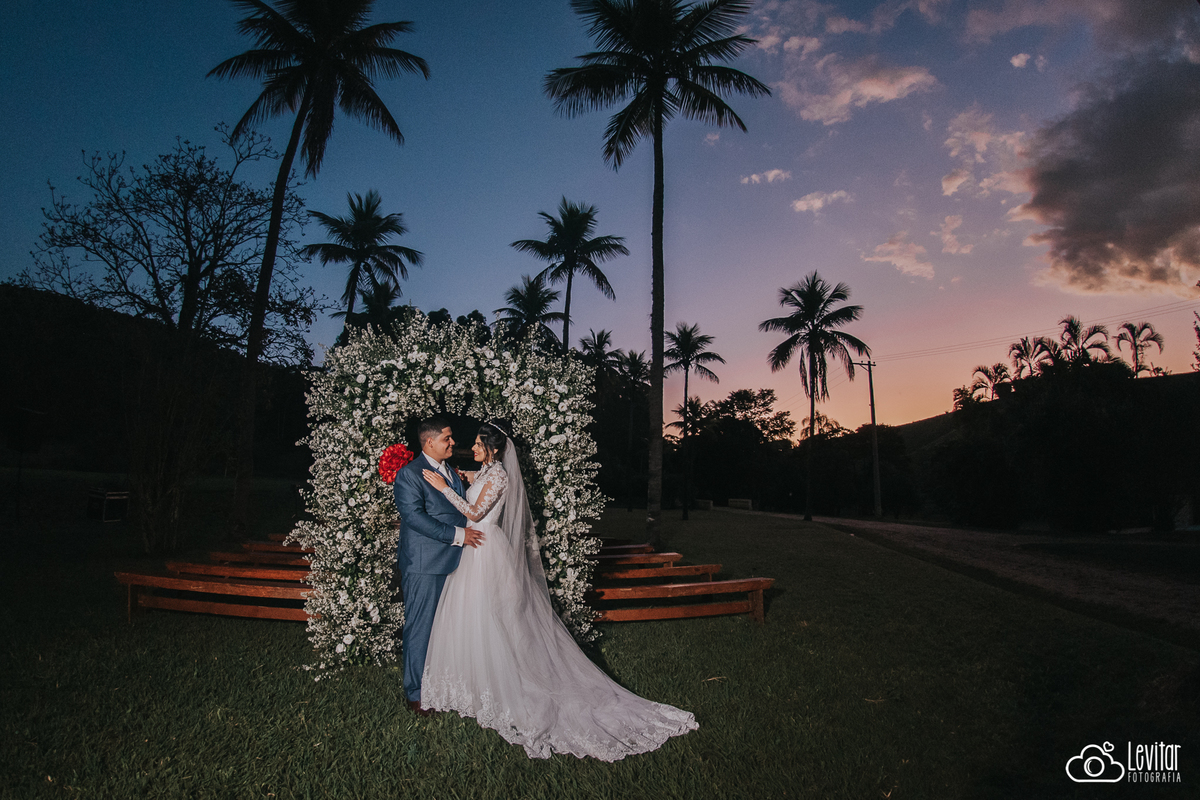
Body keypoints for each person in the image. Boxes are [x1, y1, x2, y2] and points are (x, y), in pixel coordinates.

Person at [419, 421, 698, 760]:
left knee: (493, 616)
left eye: (478, 443)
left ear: (493, 447)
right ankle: (475, 682)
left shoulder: (500, 476)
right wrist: (462, 477)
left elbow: (475, 512)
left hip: (486, 549)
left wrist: (444, 488)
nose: (473, 447)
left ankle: (504, 681)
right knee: (472, 615)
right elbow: (478, 483)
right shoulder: (486, 471)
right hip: (473, 549)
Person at [393, 416, 485, 717]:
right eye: (447, 438)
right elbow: (414, 518)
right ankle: (416, 693)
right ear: (429, 441)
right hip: (425, 563)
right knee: (421, 627)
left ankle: (444, 686)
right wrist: (460, 535)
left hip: (456, 561)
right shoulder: (409, 474)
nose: (453, 442)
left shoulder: (450, 471)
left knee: (448, 628)